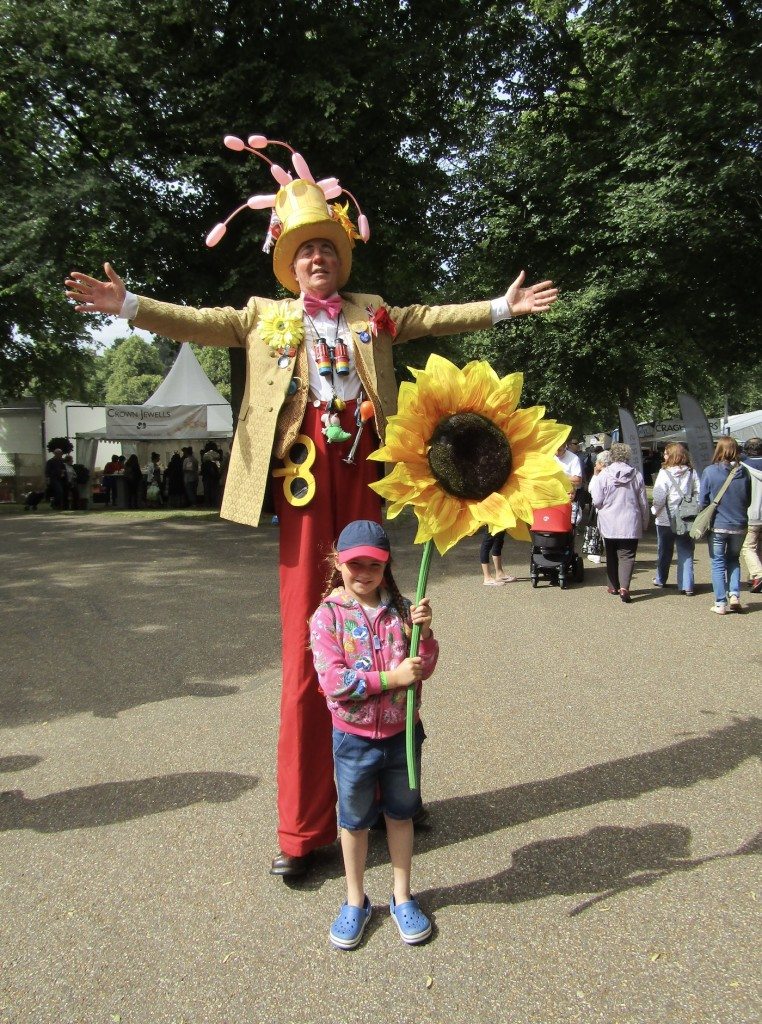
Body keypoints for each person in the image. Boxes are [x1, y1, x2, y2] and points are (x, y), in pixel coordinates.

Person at [65, 136, 558, 879]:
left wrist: (501, 307)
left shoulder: (372, 311)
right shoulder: (265, 315)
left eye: (326, 248)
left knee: (388, 625)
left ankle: (402, 792)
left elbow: (429, 315)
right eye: (304, 252)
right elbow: (195, 321)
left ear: (338, 255)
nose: (316, 260)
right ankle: (304, 831)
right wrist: (128, 304)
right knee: (307, 646)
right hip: (303, 481)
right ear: (289, 263)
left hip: (368, 472)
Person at [310, 521, 437, 949]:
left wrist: (426, 634)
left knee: (401, 815)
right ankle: (354, 900)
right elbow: (335, 682)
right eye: (354, 564)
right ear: (337, 562)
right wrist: (391, 678)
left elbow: (424, 666)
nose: (363, 573)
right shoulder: (327, 616)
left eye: (374, 566)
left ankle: (401, 895)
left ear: (386, 566)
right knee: (355, 821)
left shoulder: (402, 609)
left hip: (402, 734)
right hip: (354, 740)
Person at [589, 442, 649, 603]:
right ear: (627, 456)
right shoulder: (636, 475)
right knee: (627, 556)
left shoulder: (603, 475)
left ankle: (613, 586)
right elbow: (643, 502)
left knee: (611, 554)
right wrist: (645, 521)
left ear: (612, 456)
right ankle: (624, 588)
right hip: (630, 521)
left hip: (609, 522)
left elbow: (597, 500)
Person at [699, 437, 752, 614]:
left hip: (718, 524)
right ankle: (735, 594)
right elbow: (748, 500)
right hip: (740, 523)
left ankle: (720, 602)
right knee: (733, 559)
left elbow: (703, 501)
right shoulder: (744, 473)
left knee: (717, 562)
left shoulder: (709, 471)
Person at [650, 442, 700, 595]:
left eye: (665, 453)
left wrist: (654, 511)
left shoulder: (664, 473)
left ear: (671, 456)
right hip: (687, 517)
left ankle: (661, 578)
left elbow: (658, 498)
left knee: (664, 550)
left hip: (666, 518)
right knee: (686, 550)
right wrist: (693, 507)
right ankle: (687, 585)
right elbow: (699, 493)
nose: (663, 455)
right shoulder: (692, 472)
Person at [740, 437, 762, 594]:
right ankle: (753, 577)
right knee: (759, 546)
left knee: (748, 546)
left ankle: (758, 575)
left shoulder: (742, 468)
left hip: (751, 513)